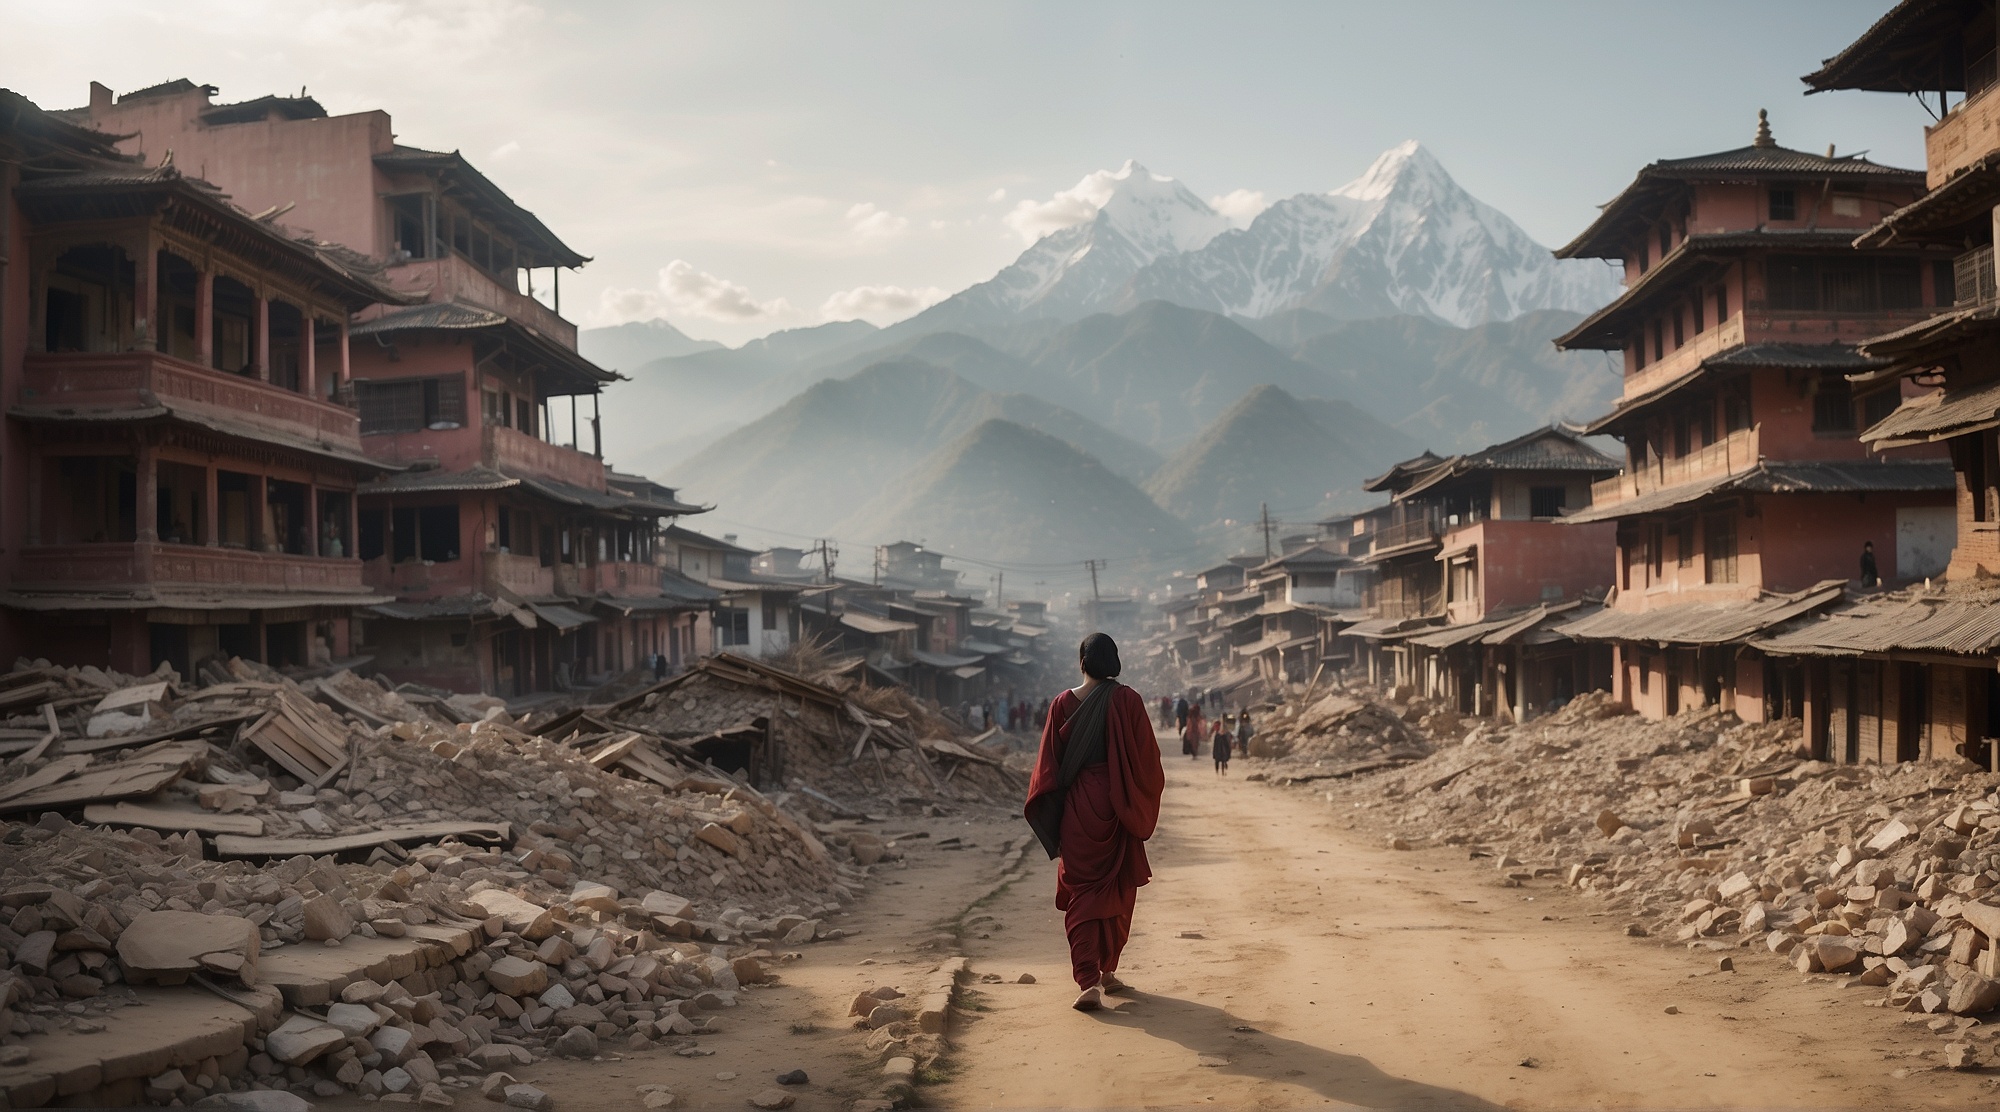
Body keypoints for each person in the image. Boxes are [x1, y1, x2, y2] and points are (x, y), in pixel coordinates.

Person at [1023, 633, 1165, 1012]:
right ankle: (1105, 969)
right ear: (1114, 662)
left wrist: (1054, 813)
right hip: (1118, 806)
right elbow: (1149, 762)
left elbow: (1047, 769)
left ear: (1081, 662)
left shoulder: (1060, 704)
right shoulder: (1128, 700)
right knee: (1117, 887)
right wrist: (1136, 797)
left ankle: (1090, 978)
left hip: (1078, 809)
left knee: (1082, 891)